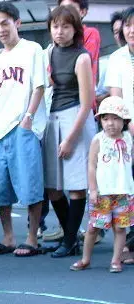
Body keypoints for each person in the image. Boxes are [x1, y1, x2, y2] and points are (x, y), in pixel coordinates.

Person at [0, 3, 47, 257]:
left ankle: (31, 237)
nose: (0, 29)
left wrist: (29, 117)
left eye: (5, 23)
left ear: (17, 23)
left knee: (31, 182)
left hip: (23, 125)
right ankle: (8, 237)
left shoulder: (32, 50)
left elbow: (39, 86)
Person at [43, 6, 96, 258]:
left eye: (65, 26)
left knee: (75, 186)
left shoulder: (82, 57)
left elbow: (87, 104)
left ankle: (69, 240)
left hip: (76, 118)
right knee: (52, 187)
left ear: (75, 29)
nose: (60, 31)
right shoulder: (50, 52)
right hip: (53, 118)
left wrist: (70, 139)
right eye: (55, 26)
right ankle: (71, 237)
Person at [70, 96, 133, 273]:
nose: (110, 123)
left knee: (120, 228)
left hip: (123, 192)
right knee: (93, 227)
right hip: (103, 192)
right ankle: (85, 259)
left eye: (115, 118)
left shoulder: (128, 139)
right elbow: (91, 165)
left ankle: (115, 260)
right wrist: (93, 189)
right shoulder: (99, 139)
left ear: (124, 120)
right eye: (105, 119)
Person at [105, 6, 134, 136]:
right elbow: (116, 98)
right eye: (127, 25)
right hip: (128, 127)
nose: (132, 31)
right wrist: (128, 123)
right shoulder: (116, 58)